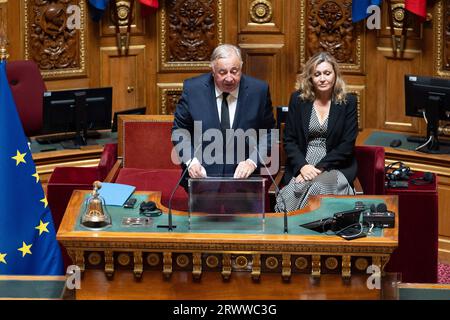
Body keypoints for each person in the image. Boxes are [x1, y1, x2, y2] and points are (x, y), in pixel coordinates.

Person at [172, 44, 275, 191]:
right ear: (213, 70)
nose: (229, 78)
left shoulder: (258, 91)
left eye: (234, 71)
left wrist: (252, 162)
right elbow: (180, 130)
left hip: (245, 183)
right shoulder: (193, 89)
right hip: (202, 179)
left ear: (241, 67)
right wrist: (191, 162)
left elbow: (269, 133)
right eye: (222, 72)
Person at [275, 51, 358, 212]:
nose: (322, 79)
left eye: (327, 73)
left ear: (335, 75)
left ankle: (308, 229)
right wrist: (303, 167)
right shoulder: (298, 100)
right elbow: (289, 140)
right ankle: (295, 231)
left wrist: (318, 168)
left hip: (335, 165)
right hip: (303, 163)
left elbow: (347, 145)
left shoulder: (348, 101)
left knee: (318, 186)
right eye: (317, 74)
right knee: (296, 189)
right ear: (310, 78)